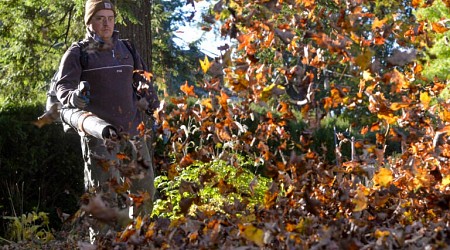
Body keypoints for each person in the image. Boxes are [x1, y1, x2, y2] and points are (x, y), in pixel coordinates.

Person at [54, 0, 159, 227]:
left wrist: (153, 105)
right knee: (103, 200)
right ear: (90, 22)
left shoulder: (127, 48)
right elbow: (61, 89)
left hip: (132, 135)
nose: (106, 24)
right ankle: (103, 244)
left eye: (110, 18)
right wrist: (75, 98)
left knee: (145, 192)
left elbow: (142, 82)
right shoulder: (78, 52)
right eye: (100, 18)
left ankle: (138, 240)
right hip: (99, 140)